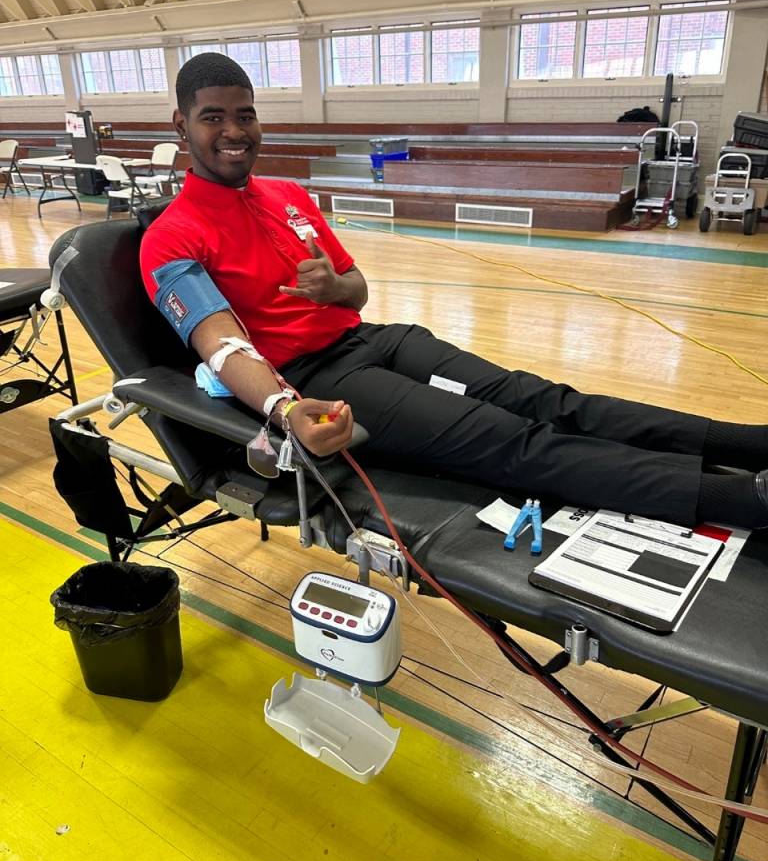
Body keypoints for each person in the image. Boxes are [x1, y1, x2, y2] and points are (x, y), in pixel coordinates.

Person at [140, 53, 768, 530]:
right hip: (319, 379)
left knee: (548, 400)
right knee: (512, 442)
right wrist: (282, 410)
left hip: (379, 343)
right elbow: (220, 347)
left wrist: (334, 286)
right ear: (182, 124)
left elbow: (356, 293)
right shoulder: (172, 237)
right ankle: (744, 499)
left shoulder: (288, 196)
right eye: (213, 117)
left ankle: (747, 444)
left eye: (244, 115)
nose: (234, 131)